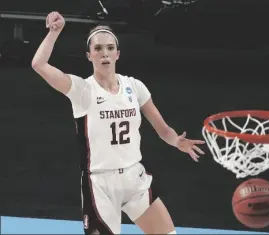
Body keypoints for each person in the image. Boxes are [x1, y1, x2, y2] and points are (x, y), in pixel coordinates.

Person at [31, 11, 205, 235]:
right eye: (98, 48)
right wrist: (55, 32)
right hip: (100, 183)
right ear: (89, 55)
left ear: (118, 54)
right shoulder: (83, 90)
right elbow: (39, 64)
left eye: (110, 48)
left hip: (134, 177)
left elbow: (162, 129)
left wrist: (176, 141)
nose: (104, 53)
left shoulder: (135, 87)